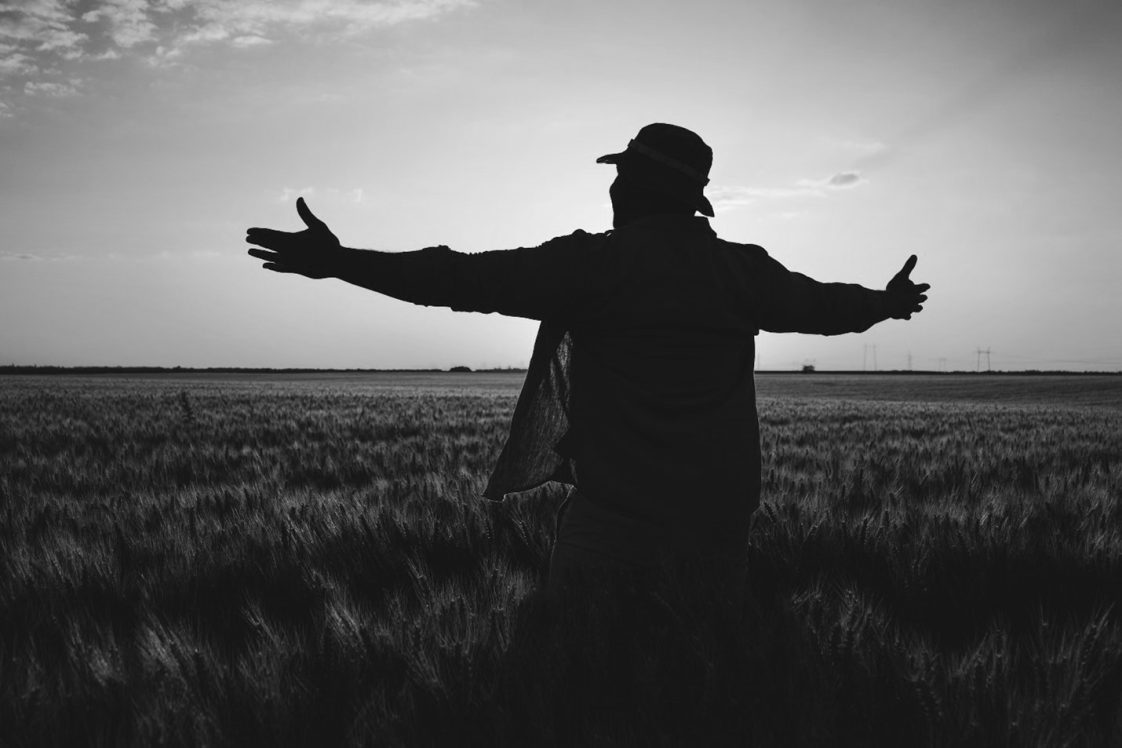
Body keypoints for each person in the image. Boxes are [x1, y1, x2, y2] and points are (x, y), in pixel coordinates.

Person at [245, 123, 930, 596]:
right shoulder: (739, 272)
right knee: (702, 683)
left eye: (621, 175)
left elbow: (456, 280)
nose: (612, 188)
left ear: (630, 186)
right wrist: (887, 302)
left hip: (613, 523)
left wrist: (340, 264)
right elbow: (827, 307)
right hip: (717, 524)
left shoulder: (593, 266)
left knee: (582, 676)